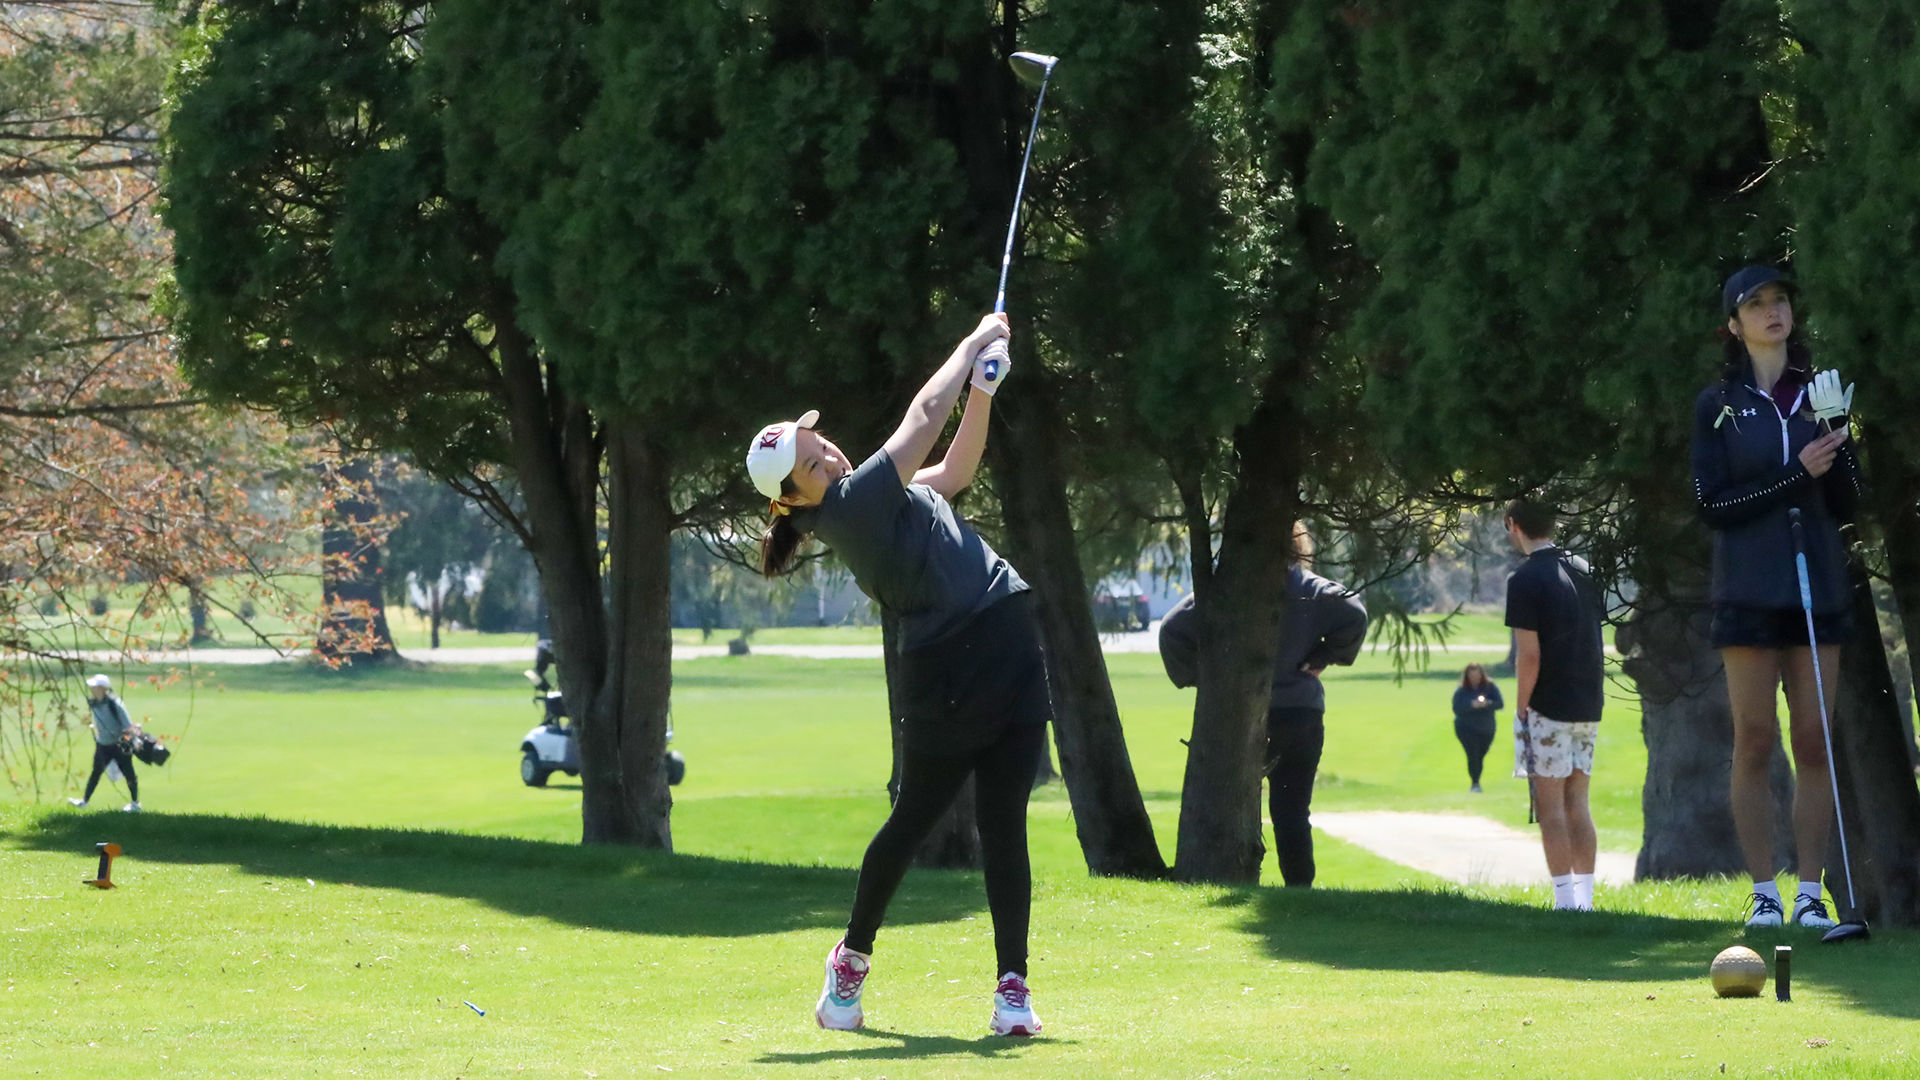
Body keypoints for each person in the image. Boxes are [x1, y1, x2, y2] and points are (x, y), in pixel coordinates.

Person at [748, 312, 1046, 1036]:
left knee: (1006, 822)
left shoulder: (864, 492)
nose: (834, 460)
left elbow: (955, 472)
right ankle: (848, 965)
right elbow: (921, 417)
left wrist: (983, 390)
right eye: (816, 465)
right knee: (913, 821)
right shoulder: (848, 510)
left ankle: (1013, 992)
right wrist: (974, 341)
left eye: (824, 446)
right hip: (948, 667)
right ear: (791, 501)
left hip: (1006, 634)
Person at [1690, 264, 1861, 929]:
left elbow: (1848, 500)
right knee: (1755, 739)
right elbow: (1713, 504)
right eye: (1756, 304)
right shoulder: (1719, 404)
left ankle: (1812, 894)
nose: (1773, 311)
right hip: (1748, 589)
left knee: (1815, 737)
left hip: (1816, 586)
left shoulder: (1819, 393)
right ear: (1734, 326)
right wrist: (1795, 473)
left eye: (1781, 300)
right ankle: (1765, 892)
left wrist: (1841, 437)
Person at [1157, 524, 1370, 888]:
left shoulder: (1228, 589)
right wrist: (1326, 654)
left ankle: (1224, 882)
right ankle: (1299, 892)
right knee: (1291, 813)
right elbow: (1355, 612)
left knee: (1227, 805)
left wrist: (1202, 679)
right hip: (1300, 713)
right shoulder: (1309, 588)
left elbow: (1172, 629)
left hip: (1237, 713)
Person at [1504, 498, 1603, 911]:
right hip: (1587, 701)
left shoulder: (1525, 579)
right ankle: (1585, 897)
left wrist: (1521, 708)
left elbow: (1529, 656)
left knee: (1550, 805)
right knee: (1578, 800)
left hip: (1548, 705)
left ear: (1514, 526)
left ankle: (1564, 900)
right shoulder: (1582, 571)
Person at [69, 674, 140, 812]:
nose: (91, 689)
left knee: (129, 773)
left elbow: (127, 724)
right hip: (103, 745)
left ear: (102, 688)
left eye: (94, 687)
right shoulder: (95, 704)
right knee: (96, 773)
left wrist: (132, 739)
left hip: (119, 745)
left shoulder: (115, 704)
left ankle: (135, 803)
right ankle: (84, 801)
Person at [1452, 663, 1503, 793]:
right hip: (1466, 728)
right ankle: (1475, 782)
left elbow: (1500, 704)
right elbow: (1457, 708)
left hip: (1486, 727)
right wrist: (1471, 706)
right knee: (1473, 754)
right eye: (1471, 675)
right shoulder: (1462, 690)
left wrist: (1487, 704)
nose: (1475, 678)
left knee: (1481, 753)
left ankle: (1476, 776)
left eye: (1477, 675)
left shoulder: (1490, 687)